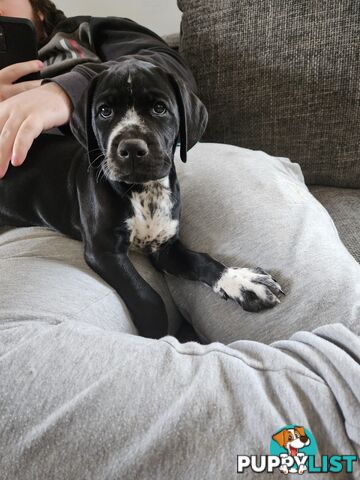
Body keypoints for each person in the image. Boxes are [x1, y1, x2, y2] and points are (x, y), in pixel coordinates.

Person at [0, 2, 359, 479]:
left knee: (316, 305)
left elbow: (166, 67)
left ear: (39, 12)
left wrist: (66, 90)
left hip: (191, 169)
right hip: (47, 220)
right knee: (14, 381)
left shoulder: (87, 33)